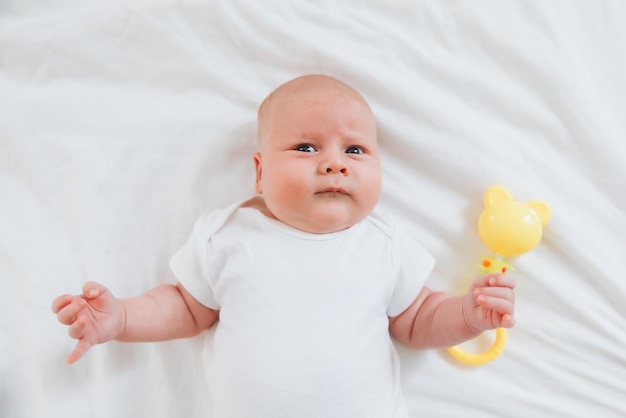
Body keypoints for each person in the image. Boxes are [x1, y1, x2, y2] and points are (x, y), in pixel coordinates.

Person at [52, 74, 516, 418]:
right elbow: (185, 307)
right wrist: (124, 317)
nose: (334, 164)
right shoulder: (228, 236)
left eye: (355, 150)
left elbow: (418, 320)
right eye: (306, 148)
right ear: (259, 172)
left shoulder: (383, 244)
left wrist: (469, 316)